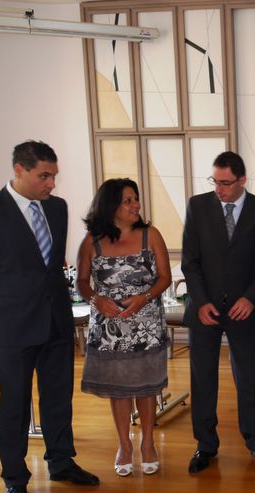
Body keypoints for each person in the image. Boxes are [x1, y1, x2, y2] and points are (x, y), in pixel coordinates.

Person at [0, 141, 99, 493]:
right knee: (15, 404)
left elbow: (51, 266)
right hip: (12, 327)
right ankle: (15, 479)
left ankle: (61, 462)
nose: (51, 183)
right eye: (44, 176)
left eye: (54, 176)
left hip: (55, 321)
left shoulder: (57, 208)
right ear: (19, 171)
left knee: (58, 397)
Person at [181, 151, 255, 474]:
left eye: (225, 183)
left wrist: (251, 298)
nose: (219, 189)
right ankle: (205, 444)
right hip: (204, 310)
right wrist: (201, 301)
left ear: (242, 180)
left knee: (249, 377)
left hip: (243, 310)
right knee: (203, 379)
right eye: (215, 181)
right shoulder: (198, 206)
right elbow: (190, 261)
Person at [76, 179, 171, 477]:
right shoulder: (91, 241)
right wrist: (96, 299)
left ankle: (148, 443)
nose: (135, 205)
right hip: (109, 328)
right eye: (127, 200)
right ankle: (124, 445)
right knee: (119, 389)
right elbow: (82, 282)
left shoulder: (150, 235)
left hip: (146, 325)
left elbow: (165, 278)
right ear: (110, 206)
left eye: (135, 199)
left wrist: (144, 298)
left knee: (146, 386)